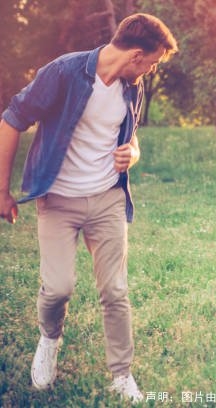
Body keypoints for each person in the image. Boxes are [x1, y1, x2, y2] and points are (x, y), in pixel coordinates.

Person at [0, 13, 178, 402]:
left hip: (107, 199)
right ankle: (49, 341)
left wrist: (133, 153)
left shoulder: (133, 87)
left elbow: (131, 140)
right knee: (58, 288)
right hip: (58, 200)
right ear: (135, 55)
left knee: (115, 289)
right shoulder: (63, 73)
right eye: (153, 61)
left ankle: (121, 374)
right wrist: (2, 191)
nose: (151, 69)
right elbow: (11, 120)